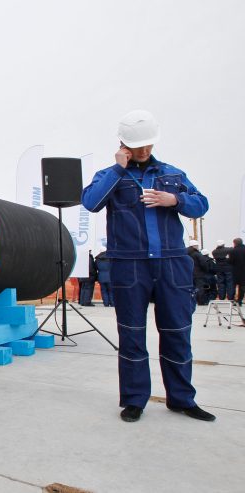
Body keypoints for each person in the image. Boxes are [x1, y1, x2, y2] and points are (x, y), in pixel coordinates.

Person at [82, 109, 215, 422]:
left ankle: (182, 398)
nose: (143, 151)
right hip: (129, 266)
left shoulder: (174, 175)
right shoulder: (110, 175)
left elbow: (201, 204)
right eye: (137, 145)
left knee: (177, 332)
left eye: (147, 145)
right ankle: (134, 400)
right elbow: (91, 202)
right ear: (123, 143)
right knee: (131, 334)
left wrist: (175, 201)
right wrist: (118, 169)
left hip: (172, 263)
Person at [232, 237, 245, 306]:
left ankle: (234, 299)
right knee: (242, 287)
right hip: (244, 271)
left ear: (235, 243)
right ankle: (240, 300)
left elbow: (231, 261)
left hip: (236, 271)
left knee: (233, 286)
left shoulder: (234, 250)